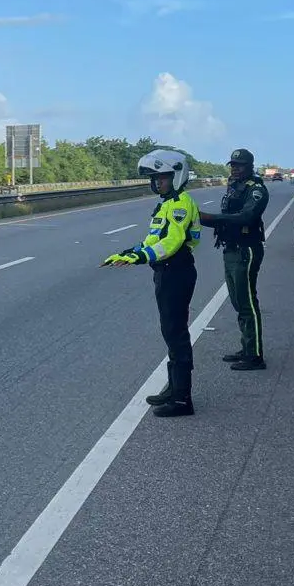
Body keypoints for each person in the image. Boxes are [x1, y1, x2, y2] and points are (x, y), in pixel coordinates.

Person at [102, 149, 202, 418]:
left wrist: (141, 257)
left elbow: (171, 243)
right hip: (166, 271)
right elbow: (154, 239)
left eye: (163, 178)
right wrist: (130, 252)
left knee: (176, 332)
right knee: (169, 331)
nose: (158, 183)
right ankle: (174, 387)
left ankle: (182, 399)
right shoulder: (166, 204)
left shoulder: (181, 203)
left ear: (176, 176)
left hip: (176, 271)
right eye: (155, 178)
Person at [198, 148, 269, 371]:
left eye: (240, 165)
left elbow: (246, 217)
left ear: (250, 166)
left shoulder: (256, 190)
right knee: (239, 301)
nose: (235, 168)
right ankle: (247, 348)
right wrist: (199, 218)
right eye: (233, 165)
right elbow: (225, 219)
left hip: (246, 250)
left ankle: (255, 356)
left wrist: (213, 218)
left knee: (247, 303)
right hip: (231, 249)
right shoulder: (234, 187)